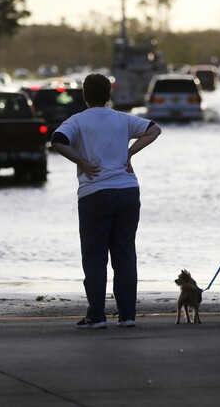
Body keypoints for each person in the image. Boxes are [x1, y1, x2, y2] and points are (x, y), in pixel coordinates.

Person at [51, 73, 161, 329]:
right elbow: (154, 129)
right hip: (127, 191)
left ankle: (97, 315)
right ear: (109, 95)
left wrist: (81, 161)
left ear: (84, 95)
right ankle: (127, 315)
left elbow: (57, 140)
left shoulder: (77, 121)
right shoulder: (122, 119)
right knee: (124, 254)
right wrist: (129, 153)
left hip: (95, 193)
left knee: (95, 256)